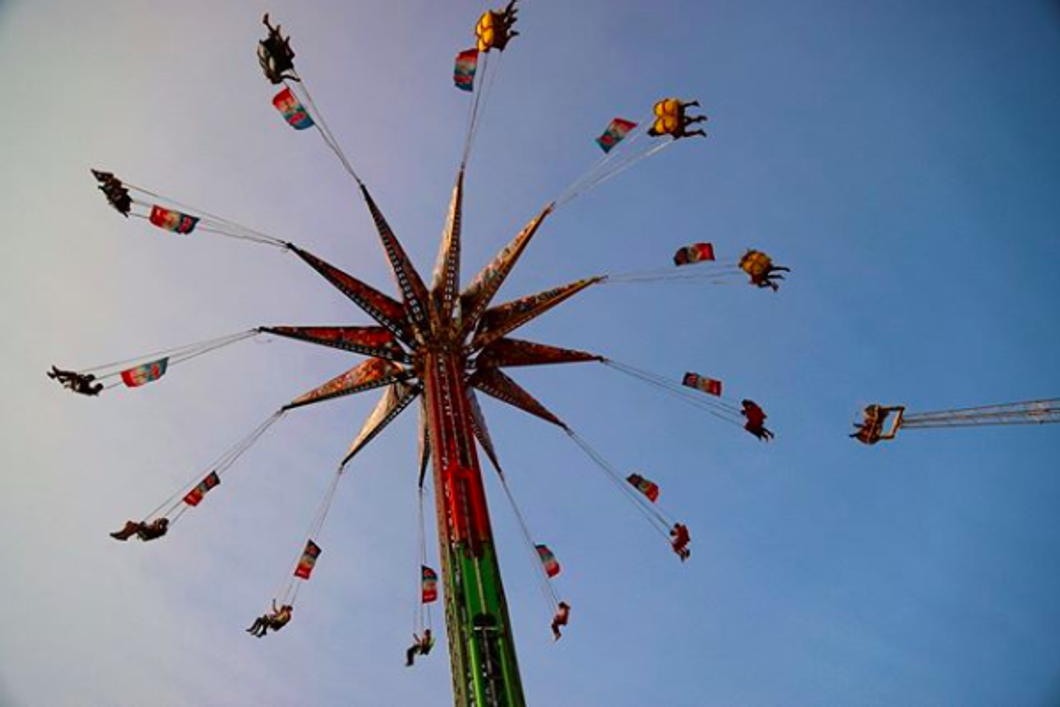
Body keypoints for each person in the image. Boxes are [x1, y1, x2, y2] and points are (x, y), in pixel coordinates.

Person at [258, 13, 298, 84]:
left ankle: (267, 23)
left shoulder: (270, 74)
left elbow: (266, 67)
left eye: (277, 79)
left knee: (275, 37)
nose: (279, 78)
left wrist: (268, 72)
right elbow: (286, 76)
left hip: (273, 54)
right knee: (291, 55)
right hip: (280, 61)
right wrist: (294, 79)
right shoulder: (278, 76)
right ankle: (286, 45)